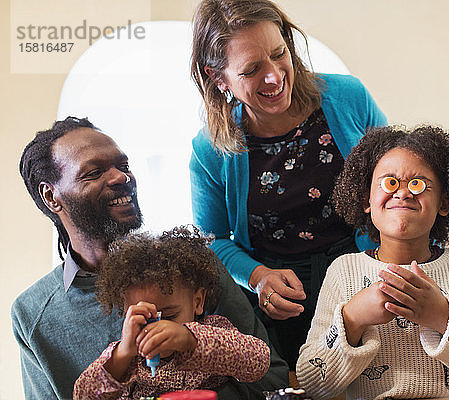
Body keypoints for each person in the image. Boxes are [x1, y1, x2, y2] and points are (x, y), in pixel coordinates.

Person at [12, 117, 288, 400]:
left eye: (124, 166)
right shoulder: (32, 314)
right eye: (94, 172)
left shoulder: (190, 265)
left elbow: (270, 377)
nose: (122, 177)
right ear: (51, 196)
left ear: (198, 300)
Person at [189, 0, 387, 369]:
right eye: (251, 69)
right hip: (280, 302)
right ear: (218, 77)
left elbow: (397, 176)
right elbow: (211, 241)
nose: (275, 77)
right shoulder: (209, 150)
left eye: (280, 54)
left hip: (364, 272)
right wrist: (258, 278)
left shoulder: (348, 97)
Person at [296, 126, 449, 399]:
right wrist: (352, 318)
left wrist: (443, 316)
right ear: (366, 199)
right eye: (390, 182)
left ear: (443, 202)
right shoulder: (343, 271)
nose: (403, 193)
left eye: (417, 184)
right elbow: (312, 383)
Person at [74, 225, 270, 398]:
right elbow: (83, 395)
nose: (156, 327)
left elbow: (259, 361)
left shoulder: (213, 330)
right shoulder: (125, 355)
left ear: (198, 301)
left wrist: (189, 339)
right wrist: (123, 354)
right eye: (143, 319)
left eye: (168, 316)